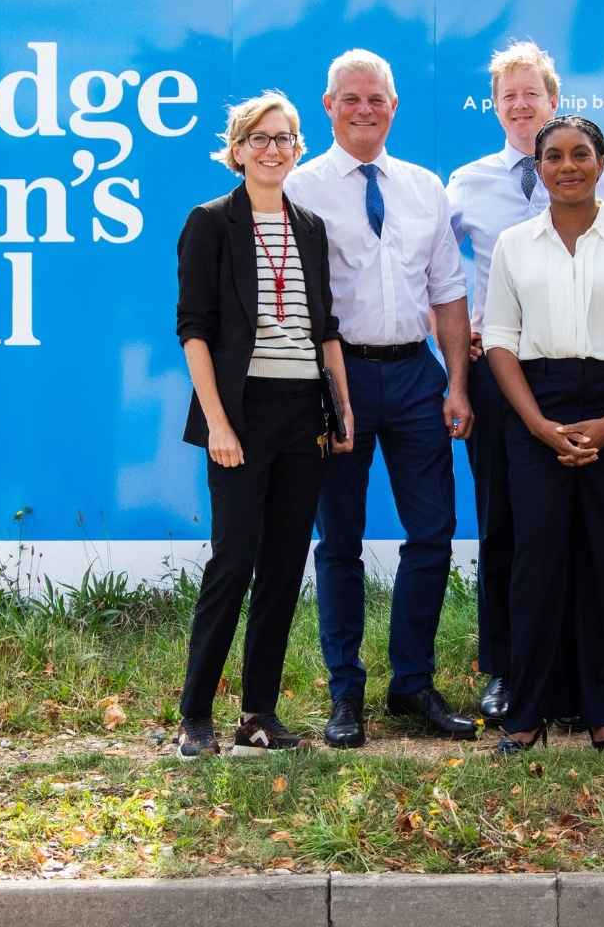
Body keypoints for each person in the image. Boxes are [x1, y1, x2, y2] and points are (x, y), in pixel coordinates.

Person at [283, 49, 477, 748]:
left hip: (416, 376)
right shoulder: (300, 189)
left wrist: (456, 381)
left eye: (377, 98)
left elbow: (449, 293)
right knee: (339, 542)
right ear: (328, 107)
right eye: (351, 98)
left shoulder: (426, 188)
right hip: (339, 380)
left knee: (432, 533)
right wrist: (321, 391)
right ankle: (345, 695)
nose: (365, 108)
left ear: (394, 107)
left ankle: (412, 684)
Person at [445, 41, 604, 721]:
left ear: (554, 100)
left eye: (532, 94)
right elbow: (434, 271)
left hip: (578, 375)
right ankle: (506, 671)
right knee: (505, 529)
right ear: (494, 106)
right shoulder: (465, 183)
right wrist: (463, 323)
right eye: (508, 96)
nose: (521, 105)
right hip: (500, 371)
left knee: (580, 531)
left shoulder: (594, 174)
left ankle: (581, 682)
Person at [482, 116, 604, 754]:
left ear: (601, 163)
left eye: (581, 154)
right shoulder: (514, 244)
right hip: (536, 405)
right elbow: (501, 340)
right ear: (538, 168)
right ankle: (527, 712)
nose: (568, 165)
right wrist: (537, 423)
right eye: (555, 156)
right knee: (535, 564)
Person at [172, 91, 355, 760]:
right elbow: (194, 330)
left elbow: (324, 327)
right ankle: (195, 714)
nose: (273, 149)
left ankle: (259, 713)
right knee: (233, 564)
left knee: (283, 568)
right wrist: (218, 423)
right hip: (240, 416)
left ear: (298, 148)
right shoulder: (211, 222)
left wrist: (341, 405)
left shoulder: (309, 226)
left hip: (301, 413)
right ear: (238, 149)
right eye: (260, 138)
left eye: (285, 138)